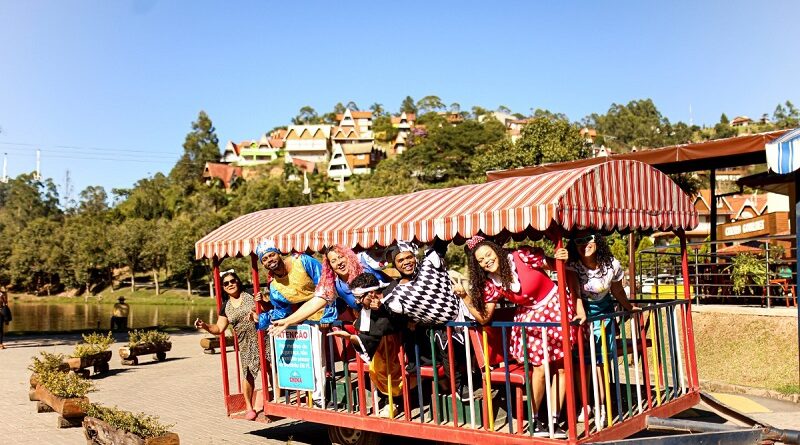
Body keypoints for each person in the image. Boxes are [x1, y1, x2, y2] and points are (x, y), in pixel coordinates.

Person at [460, 235, 584, 438]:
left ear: (497, 251)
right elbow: (484, 318)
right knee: (540, 368)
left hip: (556, 309)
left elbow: (563, 269)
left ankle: (554, 418)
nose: (486, 261)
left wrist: (562, 259)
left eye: (488, 255)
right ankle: (536, 420)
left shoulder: (522, 256)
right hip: (530, 318)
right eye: (480, 261)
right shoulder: (492, 283)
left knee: (562, 368)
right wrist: (465, 298)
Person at [381, 239, 471, 399]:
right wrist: (410, 321)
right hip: (420, 340)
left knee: (452, 333)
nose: (406, 262)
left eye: (409, 257)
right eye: (400, 260)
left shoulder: (426, 273)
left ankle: (472, 375)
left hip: (449, 321)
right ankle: (458, 385)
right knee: (442, 337)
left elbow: (440, 245)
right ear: (395, 264)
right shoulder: (392, 289)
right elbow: (391, 315)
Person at [566, 232, 639, 426]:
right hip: (583, 315)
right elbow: (575, 293)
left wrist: (629, 307)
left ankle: (602, 405)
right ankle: (586, 404)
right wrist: (581, 315)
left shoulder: (611, 265)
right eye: (578, 241)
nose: (584, 245)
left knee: (599, 362)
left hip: (604, 315)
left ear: (597, 240)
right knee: (583, 362)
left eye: (588, 239)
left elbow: (616, 290)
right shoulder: (573, 266)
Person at [253, 240, 335, 408]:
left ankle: (319, 397)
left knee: (318, 356)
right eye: (265, 259)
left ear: (279, 253)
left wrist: (328, 315)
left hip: (330, 310)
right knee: (310, 357)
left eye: (271, 255)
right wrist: (261, 319)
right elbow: (281, 312)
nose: (270, 260)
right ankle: (314, 394)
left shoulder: (302, 261)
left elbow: (326, 283)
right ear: (263, 264)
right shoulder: (275, 287)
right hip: (306, 319)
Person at [195, 270, 267, 421]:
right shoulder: (225, 306)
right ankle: (249, 406)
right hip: (245, 342)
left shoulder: (250, 294)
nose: (230, 285)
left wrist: (260, 310)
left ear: (238, 281)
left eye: (232, 281)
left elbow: (267, 310)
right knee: (248, 373)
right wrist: (205, 326)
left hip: (262, 336)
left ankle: (274, 401)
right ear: (222, 287)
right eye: (226, 283)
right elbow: (219, 328)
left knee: (271, 366)